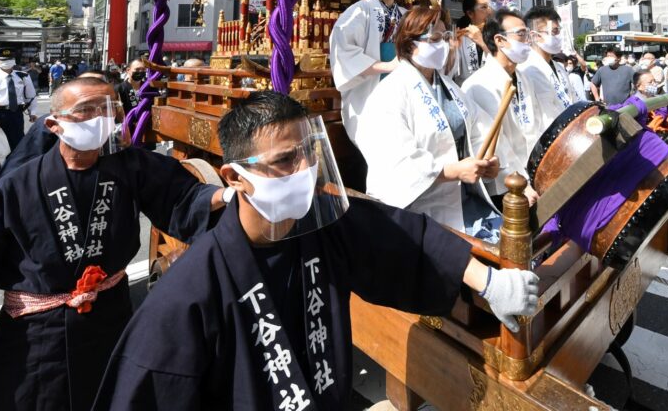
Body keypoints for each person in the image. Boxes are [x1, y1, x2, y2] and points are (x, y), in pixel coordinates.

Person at [92, 92, 539, 410]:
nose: (305, 169)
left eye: (309, 152)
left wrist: (489, 281)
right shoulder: (187, 295)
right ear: (233, 177)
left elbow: (401, 237)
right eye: (286, 160)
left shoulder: (323, 225)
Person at [0, 77, 230, 410]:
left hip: (110, 318)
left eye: (108, 108)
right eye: (86, 110)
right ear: (53, 124)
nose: (100, 118)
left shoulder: (131, 166)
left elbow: (183, 197)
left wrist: (229, 193)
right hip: (37, 334)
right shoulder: (16, 187)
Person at [356, 4, 496, 235]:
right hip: (418, 210)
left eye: (445, 37)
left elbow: (481, 127)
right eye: (434, 39)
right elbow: (394, 159)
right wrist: (451, 171)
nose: (443, 44)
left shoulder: (449, 86)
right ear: (411, 45)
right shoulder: (389, 92)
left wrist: (487, 160)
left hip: (463, 199)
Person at [461, 8, 540, 205]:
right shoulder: (479, 84)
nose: (527, 41)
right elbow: (495, 142)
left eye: (527, 34)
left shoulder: (523, 78)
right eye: (521, 34)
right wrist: (520, 181)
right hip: (507, 185)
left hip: (534, 173)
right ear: (499, 40)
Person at [328, 0, 410, 141]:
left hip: (402, 90)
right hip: (369, 93)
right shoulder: (358, 12)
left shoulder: (405, 15)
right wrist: (388, 66)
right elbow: (344, 52)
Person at [519, 6, 576, 131]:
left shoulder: (560, 68)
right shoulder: (525, 70)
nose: (558, 36)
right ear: (534, 35)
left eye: (559, 31)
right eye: (554, 32)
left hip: (569, 134)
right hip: (546, 142)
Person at [0, 48, 37, 151]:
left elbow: (31, 96)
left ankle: (12, 167)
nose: (7, 62)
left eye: (10, 59)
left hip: (16, 113)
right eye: (4, 60)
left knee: (17, 146)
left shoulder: (23, 76)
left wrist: (33, 112)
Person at [453, 0, 494, 85]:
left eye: (491, 6)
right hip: (466, 95)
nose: (489, 11)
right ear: (470, 13)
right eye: (484, 7)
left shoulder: (498, 36)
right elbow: (450, 73)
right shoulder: (460, 37)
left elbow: (502, 68)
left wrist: (482, 44)